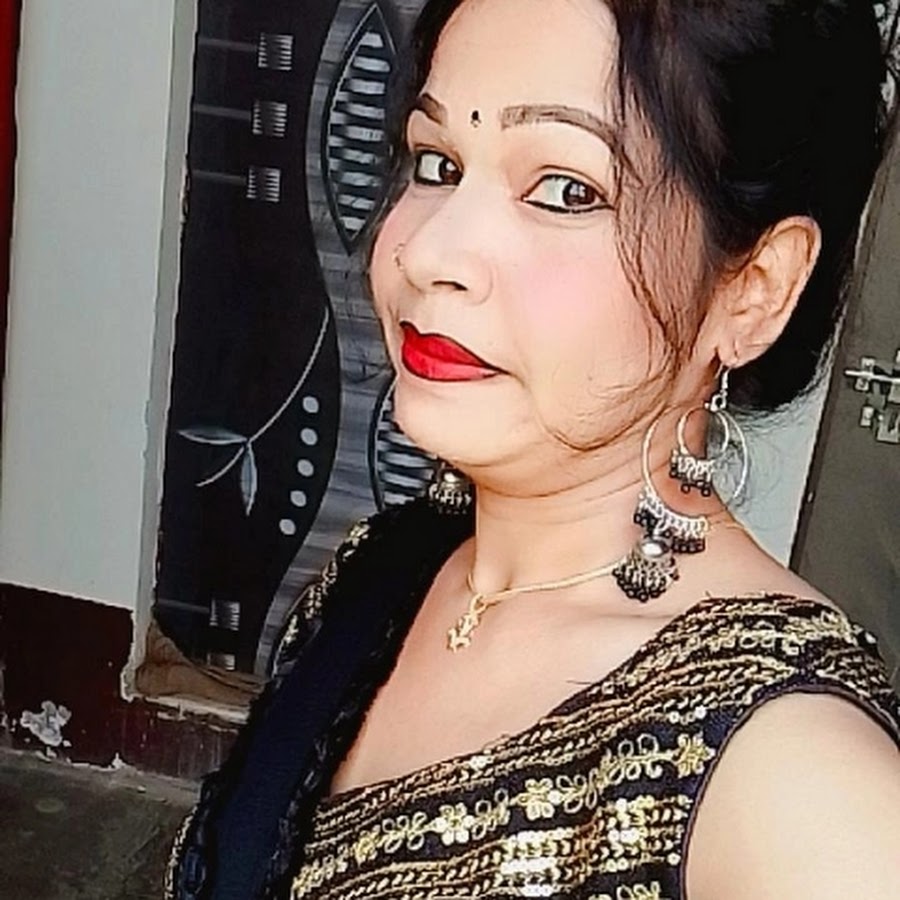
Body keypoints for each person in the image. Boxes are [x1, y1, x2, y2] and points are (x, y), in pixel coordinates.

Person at [167, 0, 900, 897]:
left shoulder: (790, 774)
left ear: (754, 289)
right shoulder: (383, 571)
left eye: (564, 190)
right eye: (436, 164)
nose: (429, 253)